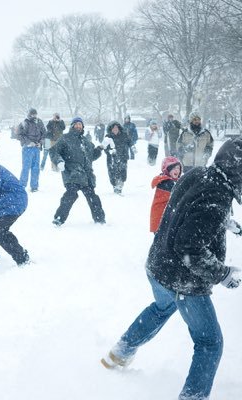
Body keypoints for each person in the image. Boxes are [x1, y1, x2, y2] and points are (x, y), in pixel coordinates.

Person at [100, 138, 242, 400]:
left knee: (162, 308)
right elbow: (190, 249)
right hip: (183, 280)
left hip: (158, 265)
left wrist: (226, 222)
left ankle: (120, 353)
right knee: (210, 343)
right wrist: (223, 274)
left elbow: (187, 209)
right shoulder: (217, 198)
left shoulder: (199, 173)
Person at [49, 117, 106, 226]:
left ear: (83, 127)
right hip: (72, 174)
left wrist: (100, 148)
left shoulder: (86, 141)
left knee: (92, 197)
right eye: (76, 124)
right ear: (72, 126)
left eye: (80, 124)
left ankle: (100, 219)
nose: (78, 126)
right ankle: (59, 218)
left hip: (86, 175)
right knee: (70, 195)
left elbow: (91, 156)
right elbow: (54, 151)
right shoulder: (65, 138)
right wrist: (59, 161)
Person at [150, 156, 182, 233]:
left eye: (178, 168)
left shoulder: (170, 181)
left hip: (164, 218)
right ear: (167, 170)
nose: (177, 170)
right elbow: (179, 194)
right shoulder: (165, 183)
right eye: (173, 168)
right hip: (162, 219)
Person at [17, 108, 46, 192]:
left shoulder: (40, 122)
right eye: (33, 114)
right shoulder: (24, 123)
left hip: (36, 148)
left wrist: (40, 142)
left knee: (36, 168)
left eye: (35, 114)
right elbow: (19, 135)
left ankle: (34, 186)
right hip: (27, 148)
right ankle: (22, 186)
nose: (34, 116)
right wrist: (29, 142)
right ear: (29, 114)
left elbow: (44, 134)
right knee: (26, 167)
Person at [104, 121, 133, 195]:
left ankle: (120, 186)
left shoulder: (124, 135)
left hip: (123, 157)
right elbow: (104, 147)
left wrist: (132, 146)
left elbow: (130, 142)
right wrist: (109, 151)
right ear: (111, 129)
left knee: (122, 172)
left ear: (119, 128)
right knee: (113, 173)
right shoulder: (108, 136)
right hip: (112, 159)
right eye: (113, 128)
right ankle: (115, 186)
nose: (115, 129)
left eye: (116, 128)